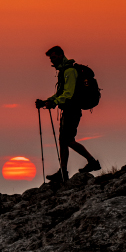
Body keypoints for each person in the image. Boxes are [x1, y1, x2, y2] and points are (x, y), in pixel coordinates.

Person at [35, 46, 100, 182]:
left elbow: (68, 94)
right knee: (63, 141)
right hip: (68, 110)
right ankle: (63, 172)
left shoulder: (69, 71)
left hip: (72, 109)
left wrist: (54, 102)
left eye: (53, 57)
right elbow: (60, 93)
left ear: (60, 55)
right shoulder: (63, 71)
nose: (52, 61)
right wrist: (47, 101)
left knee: (68, 140)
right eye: (51, 58)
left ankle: (92, 161)